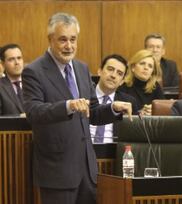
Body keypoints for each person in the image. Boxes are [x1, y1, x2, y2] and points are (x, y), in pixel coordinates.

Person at [22, 13, 132, 204]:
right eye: (63, 40)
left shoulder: (81, 68)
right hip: (57, 172)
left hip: (87, 170)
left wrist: (113, 108)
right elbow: (34, 112)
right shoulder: (34, 71)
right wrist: (68, 106)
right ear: (50, 39)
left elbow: (93, 113)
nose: (69, 46)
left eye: (73, 39)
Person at [89, 54, 139, 143]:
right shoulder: (84, 95)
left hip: (114, 152)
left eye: (119, 73)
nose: (113, 75)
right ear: (99, 71)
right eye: (110, 69)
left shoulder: (128, 102)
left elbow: (133, 137)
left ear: (122, 81)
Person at [118, 49, 165, 116]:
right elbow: (120, 115)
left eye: (150, 66)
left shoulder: (155, 87)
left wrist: (155, 111)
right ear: (133, 67)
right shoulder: (123, 86)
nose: (146, 68)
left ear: (152, 72)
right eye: (142, 64)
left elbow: (164, 112)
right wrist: (139, 113)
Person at [0, 44, 25, 116]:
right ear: (3, 64)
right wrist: (19, 117)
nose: (17, 62)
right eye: (11, 59)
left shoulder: (34, 82)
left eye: (19, 58)